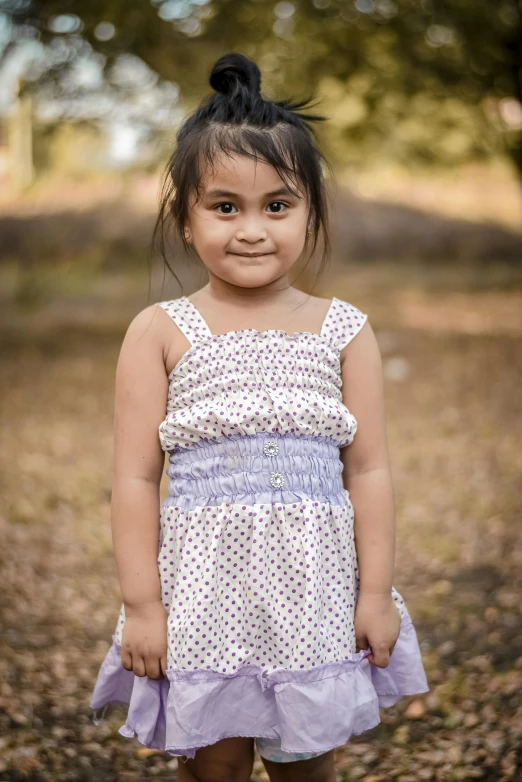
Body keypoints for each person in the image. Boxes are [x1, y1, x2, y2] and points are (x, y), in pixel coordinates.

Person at [89, 51, 429, 781]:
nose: (252, 229)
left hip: (315, 594)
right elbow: (134, 479)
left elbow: (367, 468)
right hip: (203, 595)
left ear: (310, 213)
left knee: (308, 763)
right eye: (225, 207)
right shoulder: (160, 331)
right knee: (213, 766)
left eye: (277, 206)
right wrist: (142, 606)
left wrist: (374, 596)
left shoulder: (345, 330)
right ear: (186, 218)